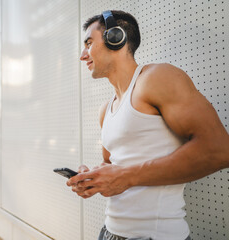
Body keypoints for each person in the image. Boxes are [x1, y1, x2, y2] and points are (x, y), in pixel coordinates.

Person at [66, 10, 229, 240]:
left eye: (89, 43)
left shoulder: (157, 78)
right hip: (109, 232)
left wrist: (125, 177)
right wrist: (92, 178)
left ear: (116, 38)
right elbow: (113, 164)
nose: (83, 55)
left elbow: (220, 149)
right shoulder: (106, 110)